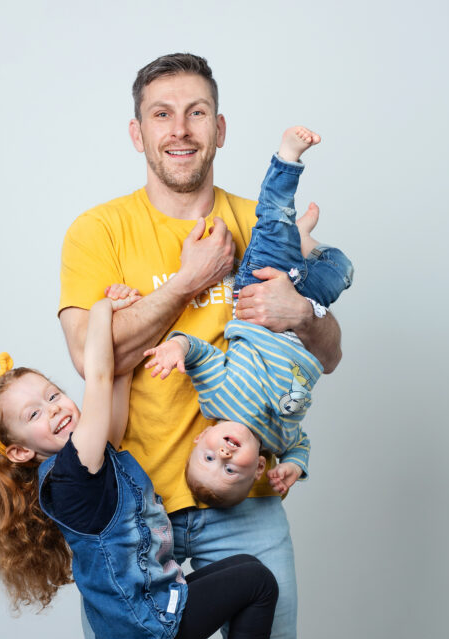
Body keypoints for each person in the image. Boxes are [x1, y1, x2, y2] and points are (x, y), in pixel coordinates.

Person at [59, 53, 343, 639]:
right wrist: (186, 284)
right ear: (137, 131)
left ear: (219, 129)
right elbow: (98, 357)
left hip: (241, 502)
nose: (178, 130)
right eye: (161, 113)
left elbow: (329, 355)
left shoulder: (260, 220)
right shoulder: (98, 231)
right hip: (128, 509)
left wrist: (306, 316)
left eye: (194, 113)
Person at [0, 290, 321, 639]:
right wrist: (102, 309)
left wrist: (118, 360)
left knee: (248, 571)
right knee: (256, 582)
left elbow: (111, 393)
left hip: (149, 610)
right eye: (34, 413)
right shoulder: (73, 472)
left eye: (54, 393)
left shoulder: (87, 458)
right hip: (144, 626)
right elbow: (97, 378)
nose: (56, 408)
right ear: (20, 451)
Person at [143, 126, 354, 505]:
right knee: (342, 269)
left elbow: (200, 353)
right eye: (229, 469)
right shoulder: (278, 439)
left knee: (273, 222)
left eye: (208, 457)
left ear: (199, 439)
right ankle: (303, 242)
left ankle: (287, 158)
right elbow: (299, 445)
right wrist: (294, 468)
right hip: (301, 310)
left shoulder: (218, 399)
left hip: (255, 297)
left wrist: (175, 348)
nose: (222, 456)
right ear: (258, 467)